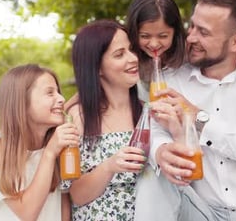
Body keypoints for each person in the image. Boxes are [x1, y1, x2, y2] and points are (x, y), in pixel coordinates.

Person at [134, 0, 236, 221]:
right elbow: (156, 129)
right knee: (152, 173)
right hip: (199, 211)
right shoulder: (172, 75)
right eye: (193, 26)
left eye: (204, 33)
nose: (191, 38)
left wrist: (198, 118)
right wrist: (161, 151)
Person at [66, 20, 179, 221]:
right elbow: (76, 195)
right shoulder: (78, 117)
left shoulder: (149, 111)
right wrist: (109, 166)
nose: (133, 58)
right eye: (119, 54)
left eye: (130, 50)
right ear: (97, 67)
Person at [0, 64, 80, 221]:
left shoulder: (59, 144)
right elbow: (27, 213)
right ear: (22, 102)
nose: (61, 98)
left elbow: (62, 202)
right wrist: (50, 153)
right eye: (50, 93)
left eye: (58, 92)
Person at [125, 0, 236, 102]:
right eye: (144, 36)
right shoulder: (127, 55)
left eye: (163, 36)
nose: (154, 44)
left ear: (175, 31)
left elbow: (219, 48)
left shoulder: (186, 50)